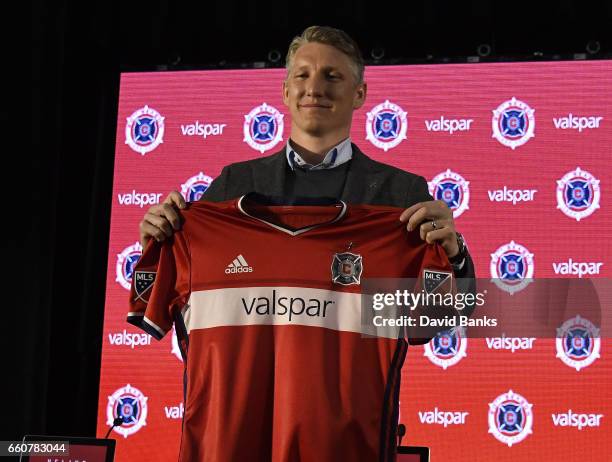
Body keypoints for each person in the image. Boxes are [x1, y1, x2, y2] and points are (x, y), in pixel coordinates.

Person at [139, 25, 473, 278]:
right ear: (286, 92)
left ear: (359, 94)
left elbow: (432, 323)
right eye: (302, 75)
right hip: (255, 371)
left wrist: (455, 259)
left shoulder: (402, 195)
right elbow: (183, 298)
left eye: (332, 76)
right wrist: (158, 247)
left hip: (349, 373)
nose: (314, 88)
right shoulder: (233, 184)